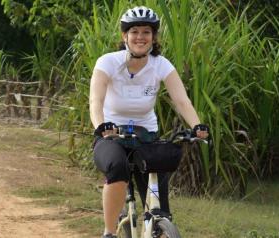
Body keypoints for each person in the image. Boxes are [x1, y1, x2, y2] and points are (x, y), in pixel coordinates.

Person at [89, 6, 209, 238]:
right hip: (111, 136)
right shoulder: (108, 62)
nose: (140, 37)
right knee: (118, 166)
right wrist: (101, 125)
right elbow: (96, 99)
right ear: (125, 36)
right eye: (134, 31)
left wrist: (197, 125)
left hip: (146, 137)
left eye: (146, 32)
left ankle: (160, 228)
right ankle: (109, 232)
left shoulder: (161, 65)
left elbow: (182, 101)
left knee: (161, 211)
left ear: (154, 37)